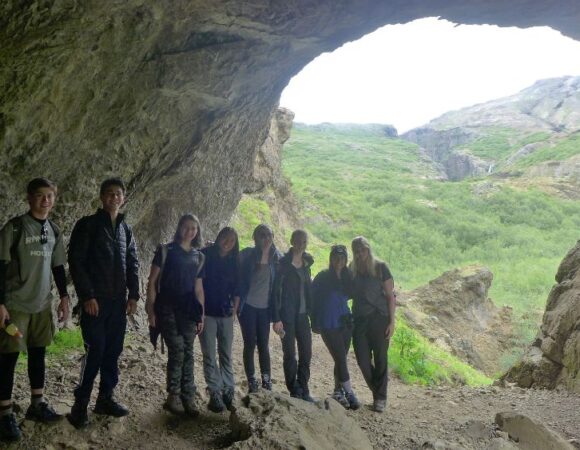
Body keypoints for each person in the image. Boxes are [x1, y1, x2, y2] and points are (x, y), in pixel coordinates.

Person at [0, 178, 70, 442]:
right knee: (8, 357)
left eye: (49, 196)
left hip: (42, 303)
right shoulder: (15, 228)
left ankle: (36, 404)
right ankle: (5, 413)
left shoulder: (54, 230)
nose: (45, 201)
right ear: (29, 198)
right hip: (16, 304)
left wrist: (63, 297)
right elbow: (0, 266)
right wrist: (0, 304)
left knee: (38, 353)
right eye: (40, 196)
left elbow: (58, 267)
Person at [67, 178, 140, 428]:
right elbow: (76, 262)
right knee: (95, 349)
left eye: (118, 194)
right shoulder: (87, 225)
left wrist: (134, 296)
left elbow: (133, 263)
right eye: (109, 193)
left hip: (117, 303)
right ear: (101, 197)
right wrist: (87, 296)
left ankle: (105, 398)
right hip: (95, 302)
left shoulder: (125, 229)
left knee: (113, 351)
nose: (114, 197)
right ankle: (80, 405)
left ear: (123, 198)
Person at [146, 214, 205, 417]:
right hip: (167, 307)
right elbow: (152, 281)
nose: (190, 231)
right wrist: (150, 310)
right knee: (178, 349)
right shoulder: (165, 251)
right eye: (187, 227)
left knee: (188, 351)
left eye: (194, 228)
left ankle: (188, 396)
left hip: (189, 309)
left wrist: (201, 315)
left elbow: (198, 289)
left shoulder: (199, 256)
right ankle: (174, 395)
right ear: (179, 228)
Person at [310, 244, 361, 410]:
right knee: (340, 357)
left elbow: (357, 293)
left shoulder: (348, 277)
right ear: (331, 259)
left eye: (342, 258)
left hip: (345, 322)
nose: (339, 261)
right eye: (336, 257)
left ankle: (338, 391)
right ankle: (349, 392)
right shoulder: (323, 277)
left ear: (346, 260)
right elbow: (311, 297)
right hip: (328, 322)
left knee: (341, 358)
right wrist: (314, 319)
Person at [350, 236, 395, 413]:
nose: (360, 254)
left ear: (368, 249)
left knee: (381, 358)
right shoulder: (352, 270)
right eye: (357, 251)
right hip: (359, 320)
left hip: (379, 317)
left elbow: (391, 296)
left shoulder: (381, 268)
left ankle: (380, 398)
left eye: (363, 250)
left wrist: (392, 321)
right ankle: (378, 391)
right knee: (362, 361)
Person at [199, 227, 239, 413]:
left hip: (226, 314)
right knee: (209, 354)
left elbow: (238, 289)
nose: (228, 242)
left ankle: (228, 390)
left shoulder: (234, 261)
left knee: (226, 354)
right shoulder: (205, 255)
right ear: (218, 236)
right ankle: (215, 391)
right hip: (207, 313)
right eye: (225, 238)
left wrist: (234, 311)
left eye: (232, 240)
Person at [271, 229, 315, 402]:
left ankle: (303, 387)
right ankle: (293, 388)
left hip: (303, 315)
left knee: (306, 352)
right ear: (291, 241)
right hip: (287, 316)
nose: (300, 244)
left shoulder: (307, 264)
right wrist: (276, 318)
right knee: (289, 353)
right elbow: (275, 293)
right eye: (298, 240)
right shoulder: (282, 264)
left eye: (304, 241)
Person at [238, 224, 281, 393]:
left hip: (264, 309)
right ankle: (251, 380)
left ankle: (266, 379)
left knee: (263, 344)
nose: (266, 238)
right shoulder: (247, 254)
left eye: (268, 235)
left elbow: (294, 260)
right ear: (255, 238)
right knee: (250, 343)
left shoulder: (277, 258)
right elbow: (228, 257)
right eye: (262, 235)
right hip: (247, 306)